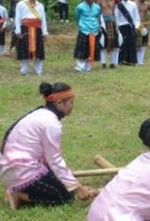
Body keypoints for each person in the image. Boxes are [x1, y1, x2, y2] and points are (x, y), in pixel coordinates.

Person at [0, 82, 98, 210]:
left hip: (10, 167)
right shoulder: (51, 123)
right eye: (71, 102)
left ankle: (17, 188)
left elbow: (48, 159)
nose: (72, 107)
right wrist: (78, 188)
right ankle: (19, 194)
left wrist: (70, 183)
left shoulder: (40, 113)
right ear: (59, 103)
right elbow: (55, 160)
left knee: (63, 186)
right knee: (64, 197)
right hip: (20, 170)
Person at [15, 0, 48, 75]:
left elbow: (43, 20)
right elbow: (17, 18)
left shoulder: (40, 5)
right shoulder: (21, 4)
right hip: (25, 28)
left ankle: (39, 70)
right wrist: (17, 31)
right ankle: (24, 70)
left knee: (38, 50)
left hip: (37, 29)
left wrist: (45, 32)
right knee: (25, 50)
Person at [74, 0, 101, 73]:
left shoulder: (97, 7)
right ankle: (80, 66)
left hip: (94, 30)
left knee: (91, 48)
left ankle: (88, 66)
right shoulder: (80, 7)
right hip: (84, 29)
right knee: (82, 48)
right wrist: (81, 25)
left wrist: (98, 26)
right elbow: (77, 17)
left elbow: (98, 17)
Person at [98, 0, 120, 69]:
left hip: (112, 22)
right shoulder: (100, 1)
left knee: (113, 42)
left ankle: (113, 62)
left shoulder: (113, 1)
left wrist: (117, 24)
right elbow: (98, 13)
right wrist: (99, 24)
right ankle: (103, 62)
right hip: (103, 23)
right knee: (103, 42)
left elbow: (114, 14)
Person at [115, 0, 140, 65]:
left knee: (132, 43)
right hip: (122, 26)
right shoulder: (119, 5)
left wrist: (136, 27)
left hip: (131, 26)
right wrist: (117, 26)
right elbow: (117, 17)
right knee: (123, 43)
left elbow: (136, 17)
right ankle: (122, 60)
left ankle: (132, 61)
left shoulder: (133, 4)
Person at [135, 0, 150, 66]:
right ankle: (136, 60)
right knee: (136, 42)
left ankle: (141, 60)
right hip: (136, 24)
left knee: (144, 43)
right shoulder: (134, 3)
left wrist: (149, 22)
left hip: (143, 24)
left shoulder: (147, 4)